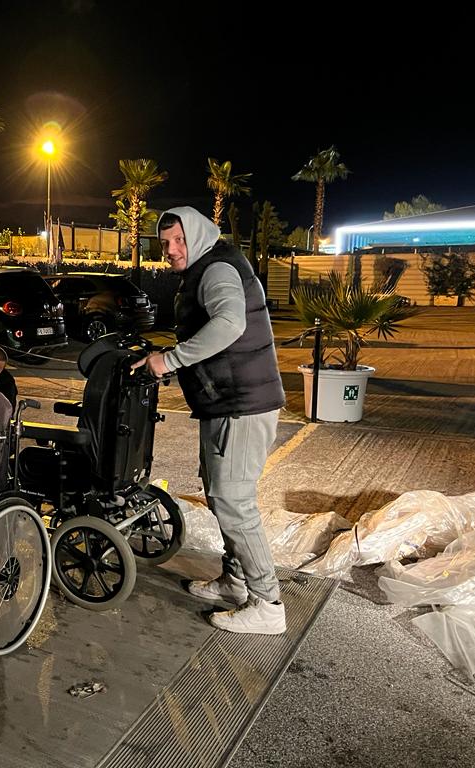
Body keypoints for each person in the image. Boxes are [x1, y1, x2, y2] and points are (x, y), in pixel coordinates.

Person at [133, 206, 286, 635]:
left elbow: (230, 323)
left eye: (179, 240)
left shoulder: (217, 269)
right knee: (222, 495)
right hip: (227, 402)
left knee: (233, 501)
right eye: (165, 243)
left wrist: (171, 360)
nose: (170, 250)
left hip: (241, 404)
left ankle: (268, 603)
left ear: (198, 236)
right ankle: (235, 582)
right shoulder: (205, 267)